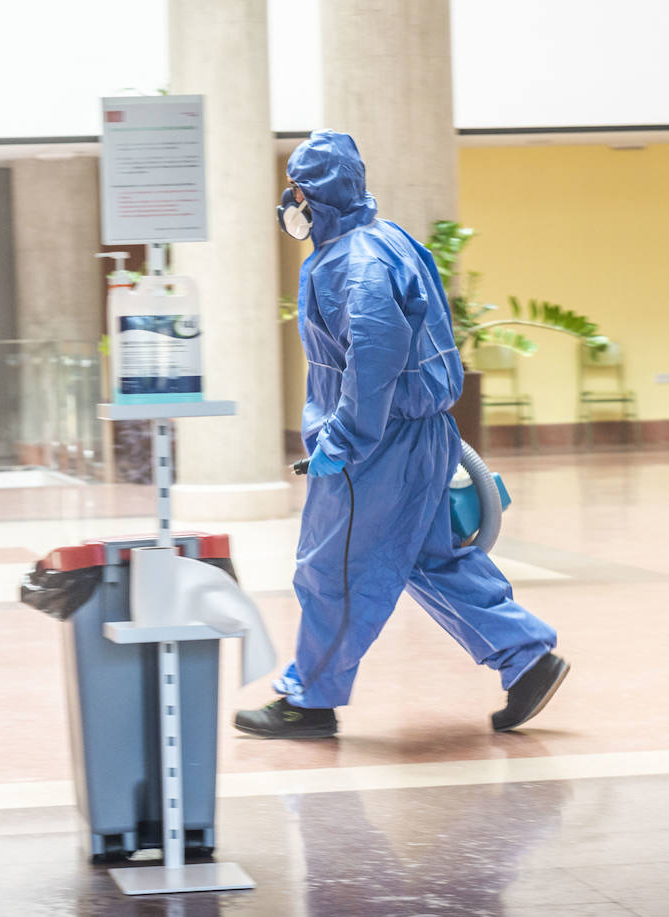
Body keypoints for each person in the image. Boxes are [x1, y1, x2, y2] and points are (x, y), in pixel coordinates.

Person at [234, 130, 568, 739]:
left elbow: (374, 359)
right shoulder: (388, 241)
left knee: (331, 570)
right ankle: (527, 657)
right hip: (421, 435)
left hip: (378, 446)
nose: (292, 205)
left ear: (313, 195)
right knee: (433, 559)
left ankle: (309, 700)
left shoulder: (352, 264)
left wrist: (342, 442)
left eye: (297, 192)